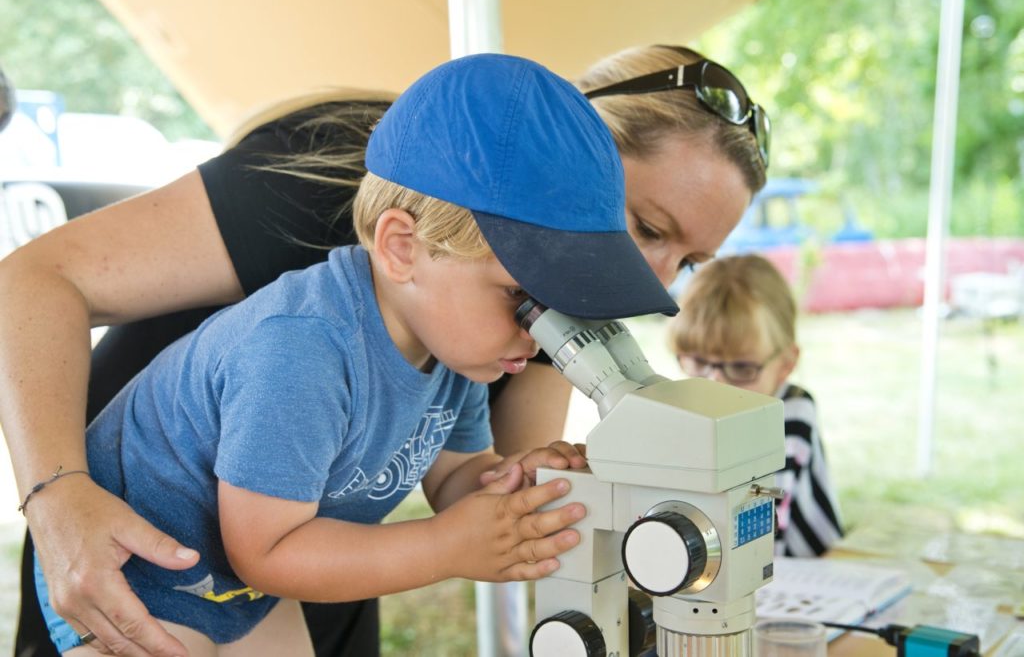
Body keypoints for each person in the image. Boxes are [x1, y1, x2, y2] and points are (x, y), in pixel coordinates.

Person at [0, 44, 768, 657]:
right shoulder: (304, 344)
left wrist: (514, 484)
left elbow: (459, 480)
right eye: (647, 227)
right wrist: (443, 545)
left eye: (688, 261)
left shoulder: (463, 342)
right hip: (146, 565)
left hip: (258, 572)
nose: (646, 277)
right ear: (404, 245)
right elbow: (271, 544)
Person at [667, 253, 844, 557]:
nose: (715, 384)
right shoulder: (685, 409)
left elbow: (755, 543)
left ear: (785, 364)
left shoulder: (791, 414)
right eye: (697, 362)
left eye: (741, 368)